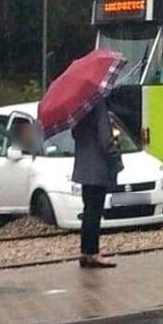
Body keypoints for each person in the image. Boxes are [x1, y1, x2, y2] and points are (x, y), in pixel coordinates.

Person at [71, 99, 123, 269]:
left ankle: (86, 252)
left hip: (84, 169)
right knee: (95, 212)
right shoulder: (97, 105)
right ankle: (93, 253)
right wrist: (115, 156)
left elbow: (75, 134)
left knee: (88, 212)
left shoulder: (78, 106)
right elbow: (105, 140)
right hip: (98, 168)